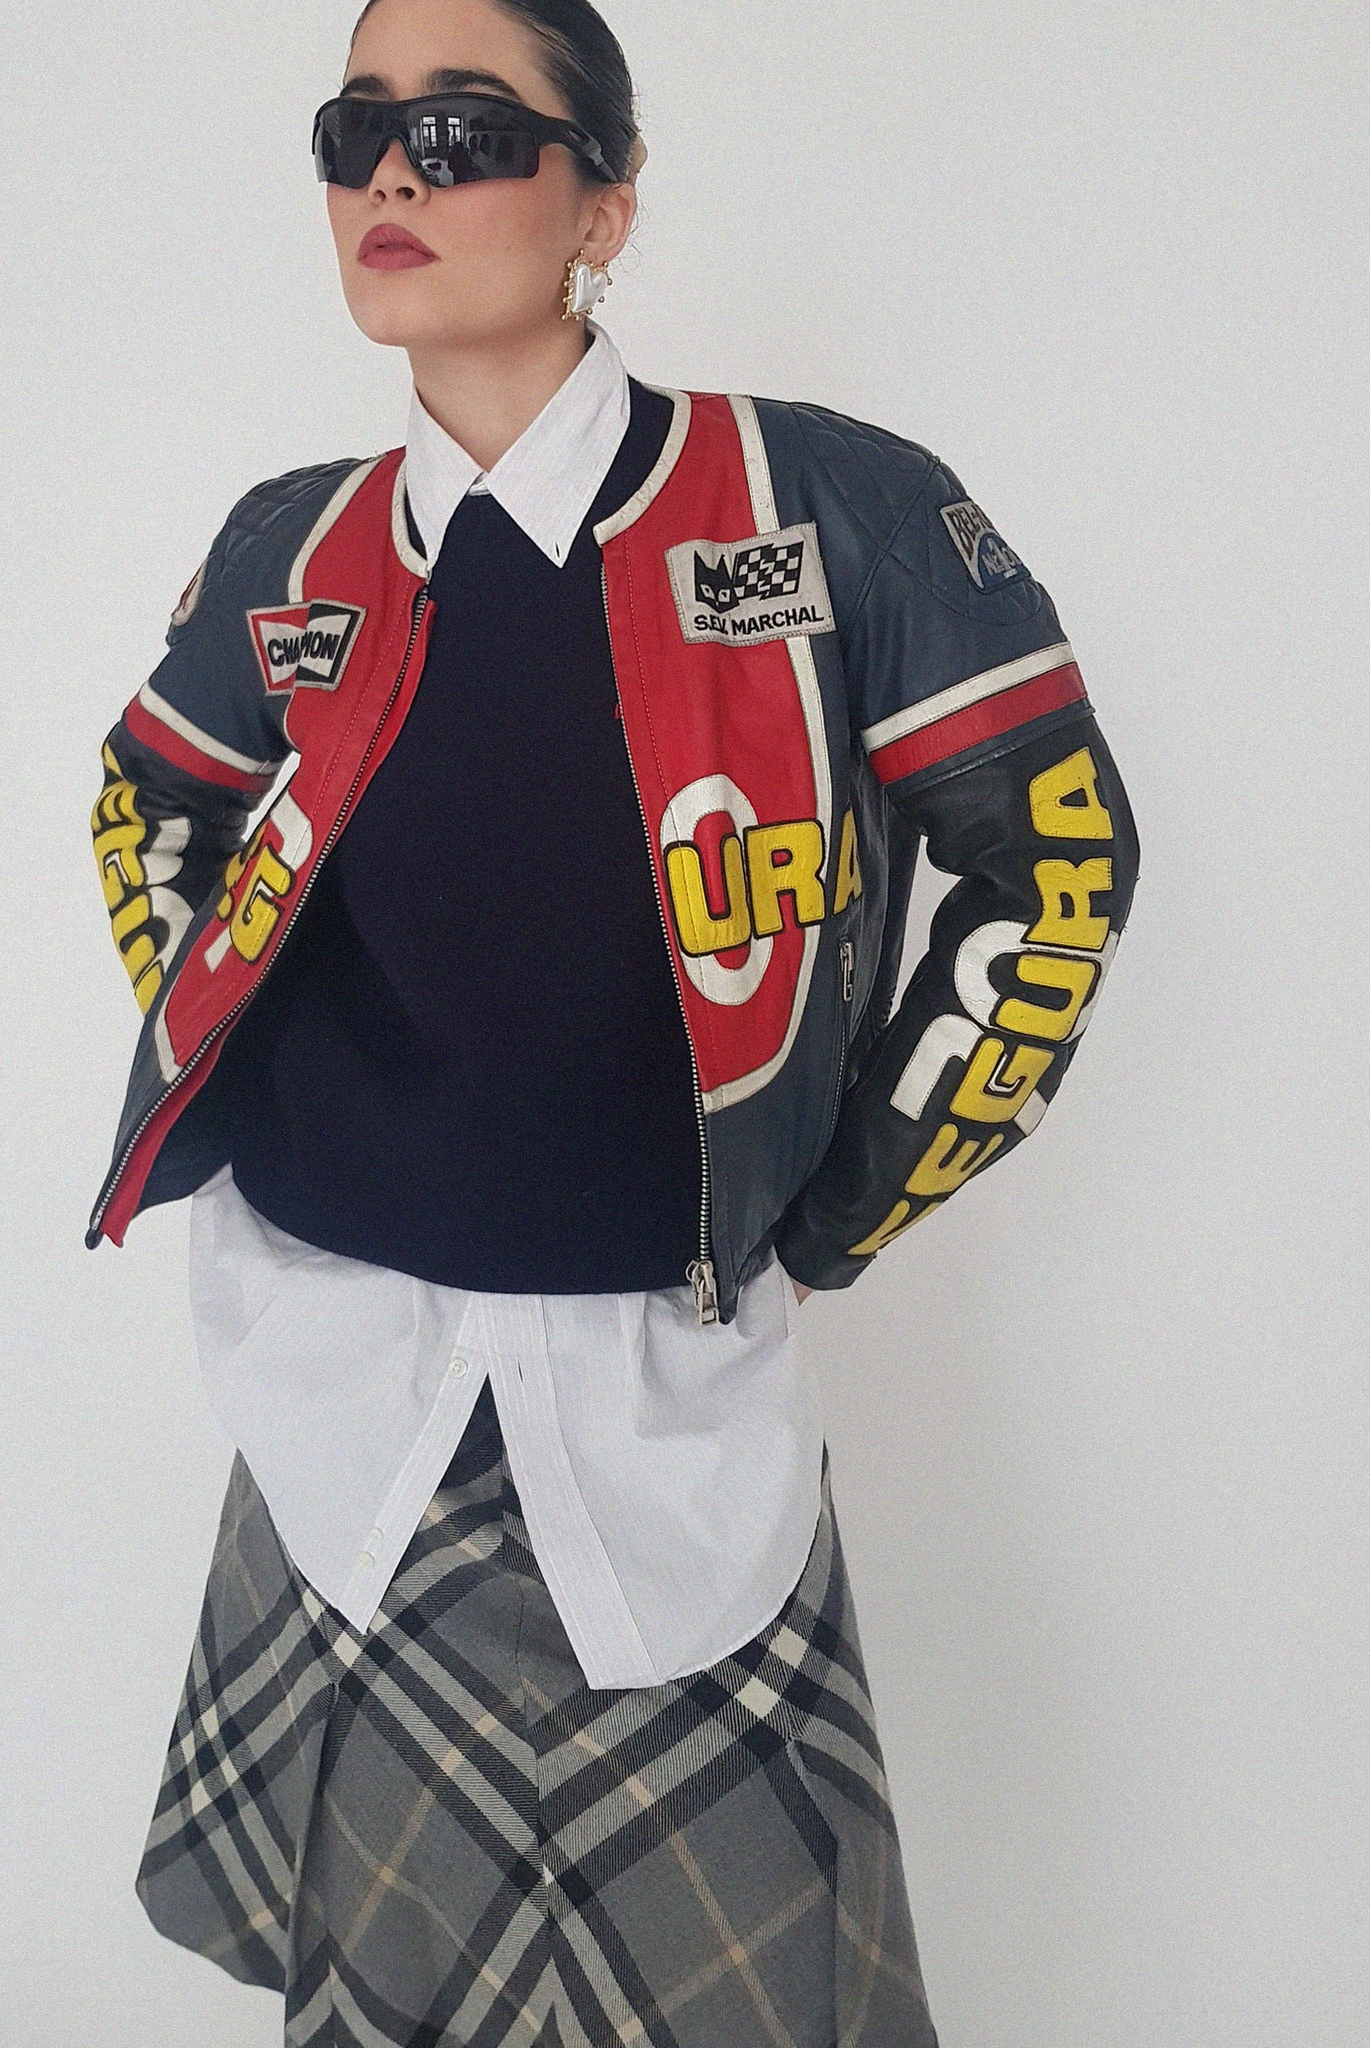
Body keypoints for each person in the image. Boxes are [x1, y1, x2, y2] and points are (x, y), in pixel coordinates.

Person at [86, 0, 1139, 2039]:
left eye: (467, 129)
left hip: (672, 1407)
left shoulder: (829, 506)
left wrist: (843, 1201)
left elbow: (1057, 867)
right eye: (355, 130)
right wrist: (227, 1039)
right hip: (346, 1392)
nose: (392, 177)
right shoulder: (290, 545)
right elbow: (152, 801)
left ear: (607, 206)